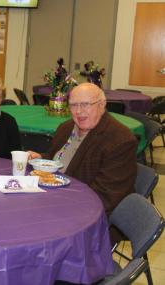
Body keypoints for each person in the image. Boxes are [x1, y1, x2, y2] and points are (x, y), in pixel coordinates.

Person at [29, 83, 137, 215]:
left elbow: (105, 196)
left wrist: (57, 204)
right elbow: (56, 158)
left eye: (86, 104)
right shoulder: (66, 128)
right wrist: (41, 158)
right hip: (52, 196)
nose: (79, 111)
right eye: (73, 105)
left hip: (86, 213)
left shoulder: (120, 141)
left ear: (102, 105)